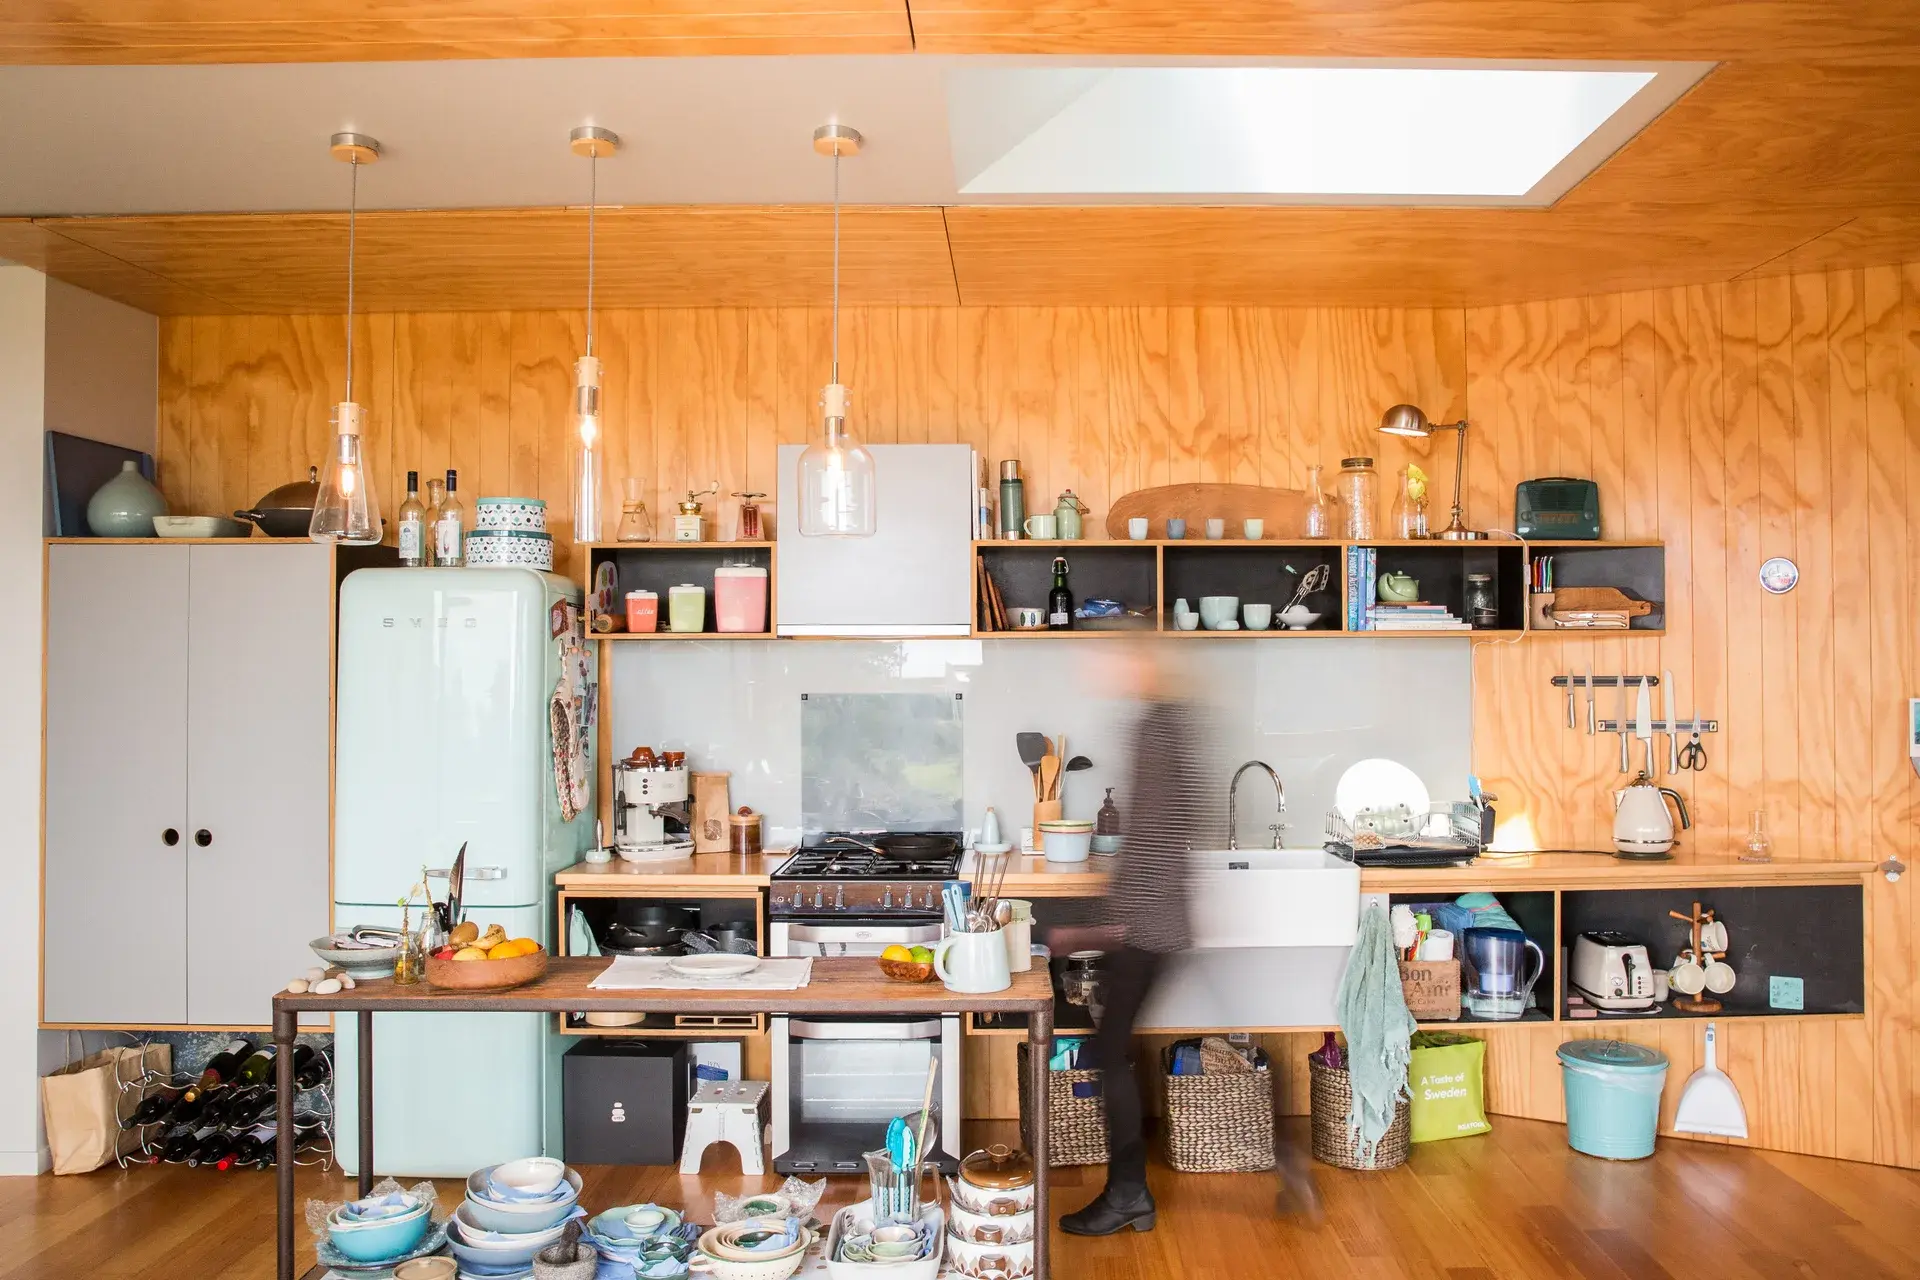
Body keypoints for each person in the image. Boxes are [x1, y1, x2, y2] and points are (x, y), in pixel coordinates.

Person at [1047, 640, 1209, 1237]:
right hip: (1154, 918)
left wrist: (1111, 923)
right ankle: (1128, 1191)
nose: (1103, 665)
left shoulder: (1159, 729)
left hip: (1151, 923)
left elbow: (1161, 838)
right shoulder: (1161, 722)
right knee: (1111, 1048)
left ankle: (1128, 1195)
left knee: (1109, 1051)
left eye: (1117, 655)